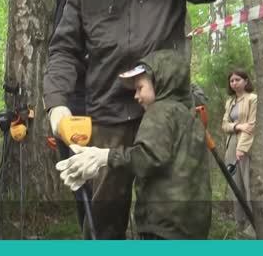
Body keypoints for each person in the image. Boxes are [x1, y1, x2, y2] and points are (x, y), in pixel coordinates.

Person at [43, 0, 230, 239]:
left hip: (162, 116)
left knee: (168, 218)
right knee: (103, 220)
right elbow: (64, 50)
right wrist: (56, 104)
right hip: (108, 117)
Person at [56, 49, 211, 239]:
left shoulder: (160, 112)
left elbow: (148, 157)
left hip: (164, 225)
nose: (136, 96)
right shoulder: (189, 115)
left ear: (160, 82)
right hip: (193, 223)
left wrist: (104, 156)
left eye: (140, 88)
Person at [48, 0, 93, 231]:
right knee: (80, 182)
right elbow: (61, 53)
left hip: (109, 99)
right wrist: (56, 104)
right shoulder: (62, 2)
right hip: (73, 100)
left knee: (109, 183)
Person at [222, 69, 257, 238]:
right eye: (231, 81)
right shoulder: (230, 102)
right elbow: (224, 125)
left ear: (245, 81)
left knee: (248, 185)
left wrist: (241, 149)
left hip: (246, 146)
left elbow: (251, 125)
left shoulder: (252, 99)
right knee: (235, 186)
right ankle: (239, 224)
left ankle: (253, 225)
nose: (234, 83)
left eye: (237, 79)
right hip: (230, 145)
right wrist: (237, 126)